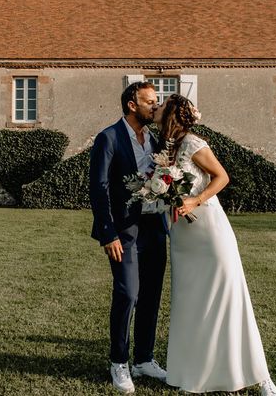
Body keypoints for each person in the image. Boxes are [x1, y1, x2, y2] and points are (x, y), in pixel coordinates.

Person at [155, 93, 276, 396]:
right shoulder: (164, 148)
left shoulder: (193, 143)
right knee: (191, 302)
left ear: (171, 112)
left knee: (229, 298)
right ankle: (194, 374)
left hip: (210, 230)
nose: (155, 108)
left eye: (160, 105)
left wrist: (194, 199)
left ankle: (260, 377)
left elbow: (222, 177)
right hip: (183, 235)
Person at [89, 81, 170, 393]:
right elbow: (99, 189)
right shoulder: (108, 138)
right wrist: (107, 233)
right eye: (149, 102)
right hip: (123, 233)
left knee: (150, 296)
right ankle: (119, 362)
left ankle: (144, 359)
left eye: (156, 101)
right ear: (131, 105)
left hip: (154, 228)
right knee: (128, 294)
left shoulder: (154, 139)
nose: (155, 106)